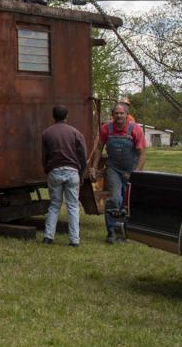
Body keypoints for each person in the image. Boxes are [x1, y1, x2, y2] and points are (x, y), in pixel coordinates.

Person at [93, 102, 146, 244]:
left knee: (126, 202)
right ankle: (111, 232)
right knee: (114, 199)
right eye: (116, 113)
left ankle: (123, 233)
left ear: (127, 115)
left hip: (130, 170)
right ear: (112, 115)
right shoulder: (106, 129)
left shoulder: (135, 130)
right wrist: (94, 166)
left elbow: (142, 154)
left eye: (121, 113)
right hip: (113, 169)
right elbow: (98, 148)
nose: (119, 116)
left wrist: (136, 173)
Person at [40, 105, 88, 247]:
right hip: (72, 172)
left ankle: (48, 237)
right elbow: (83, 157)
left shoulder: (47, 133)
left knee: (54, 205)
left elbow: (44, 156)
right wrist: (81, 173)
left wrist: (47, 170)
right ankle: (74, 240)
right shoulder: (75, 133)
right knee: (73, 206)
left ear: (53, 116)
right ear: (67, 116)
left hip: (54, 171)